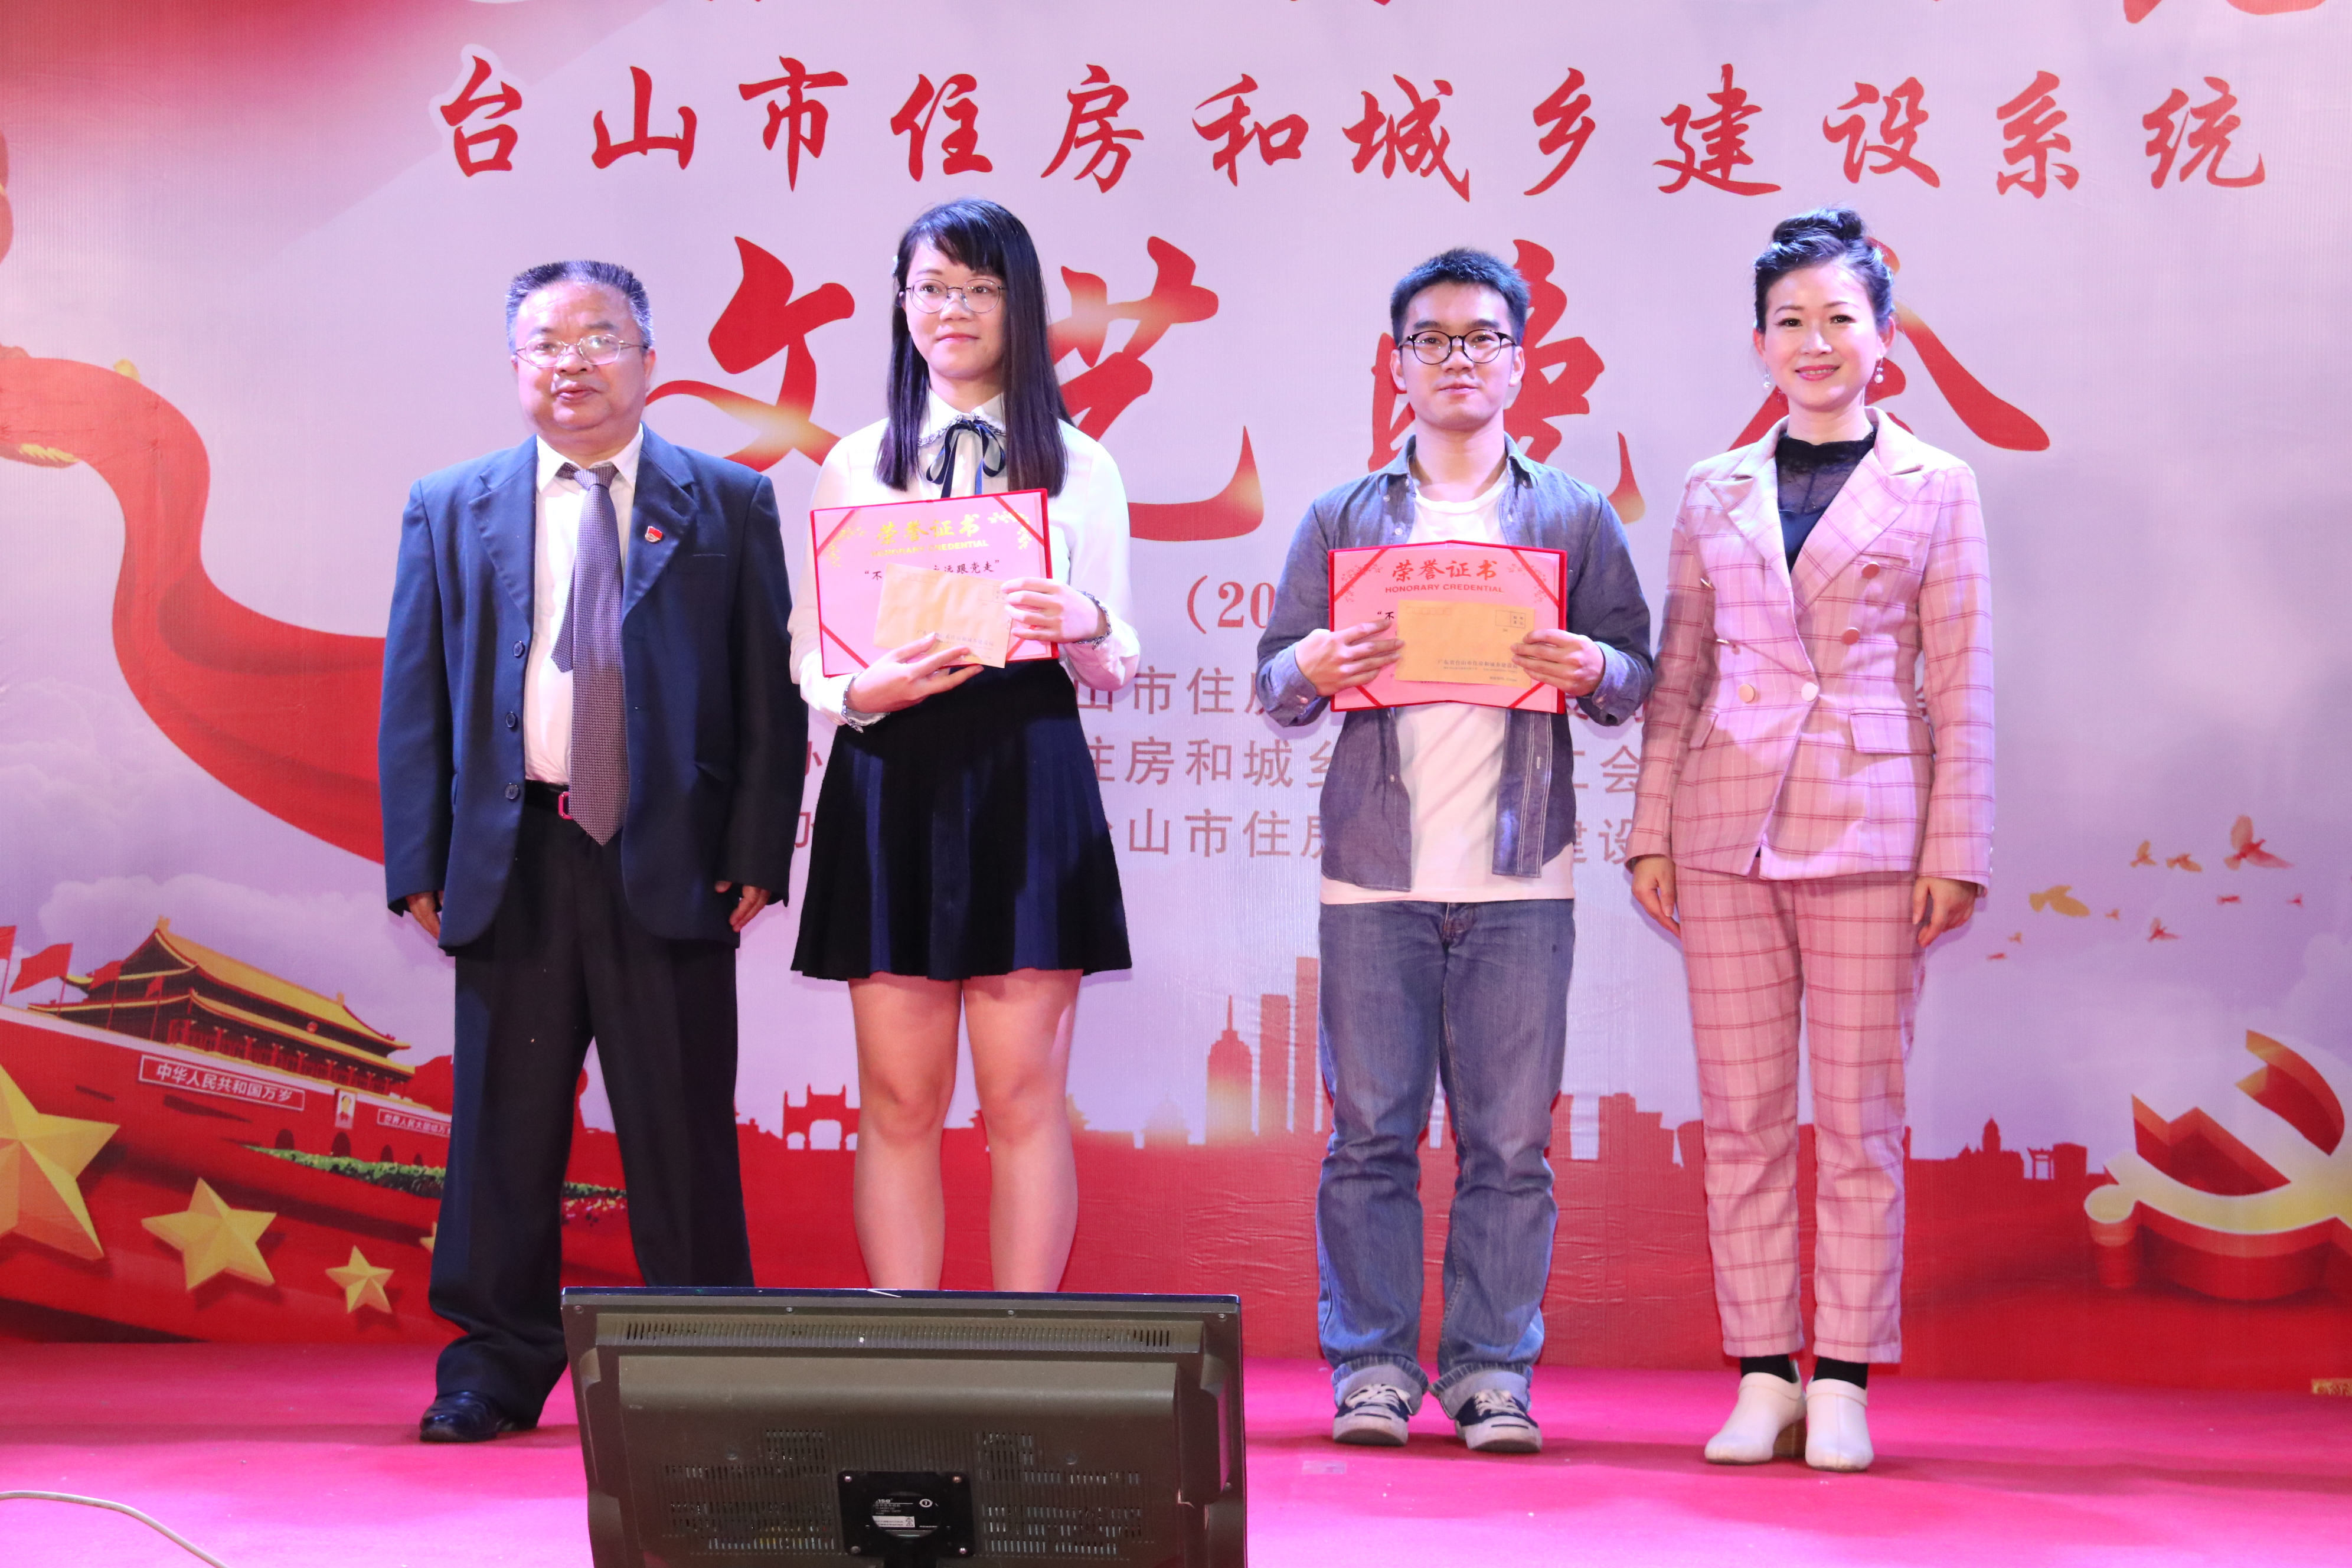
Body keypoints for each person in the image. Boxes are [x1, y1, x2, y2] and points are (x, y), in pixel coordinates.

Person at [380, 260, 803, 1443]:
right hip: (510, 851)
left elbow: (767, 695)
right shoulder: (450, 502)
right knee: (504, 1126)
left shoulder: (727, 501)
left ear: (648, 359)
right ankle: (493, 1363)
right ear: (516, 365)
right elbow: (414, 691)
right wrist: (417, 857)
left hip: (669, 857)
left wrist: (758, 845)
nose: (573, 362)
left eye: (600, 338)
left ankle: (705, 1362)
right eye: (547, 342)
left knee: (680, 1122)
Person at [1254, 250, 1654, 1455]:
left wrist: (1593, 666)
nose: (1457, 359)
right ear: (1399, 364)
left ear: (1520, 362)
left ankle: (1490, 1370)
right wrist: (1313, 665)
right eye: (1431, 340)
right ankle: (1373, 1365)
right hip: (1372, 875)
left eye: (1482, 338)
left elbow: (1634, 670)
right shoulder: (1343, 515)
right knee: (1369, 1137)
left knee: (1511, 1144)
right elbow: (1275, 683)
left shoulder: (1573, 513)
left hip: (1522, 876)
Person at [1626, 207, 1994, 1473]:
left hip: (1874, 825)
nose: (1815, 340)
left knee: (1859, 1120)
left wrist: (1958, 846)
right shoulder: (1710, 487)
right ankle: (1763, 1372)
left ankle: (1843, 1375)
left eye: (1840, 317)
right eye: (1791, 320)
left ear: (1884, 338)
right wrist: (1650, 829)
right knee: (1740, 1118)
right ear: (1760, 342)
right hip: (1721, 827)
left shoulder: (1938, 484)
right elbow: (1679, 673)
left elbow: (1963, 676)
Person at [789, 198, 1135, 1294]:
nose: (954, 309)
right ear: (902, 305)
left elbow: (1116, 659)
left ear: (1019, 307)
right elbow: (813, 652)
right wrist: (862, 691)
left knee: (1023, 1098)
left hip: (1027, 769)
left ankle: (1024, 1354)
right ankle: (904, 1349)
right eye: (932, 288)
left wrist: (1084, 621)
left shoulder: (1080, 465)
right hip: (892, 771)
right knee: (899, 1099)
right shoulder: (855, 462)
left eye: (980, 289)